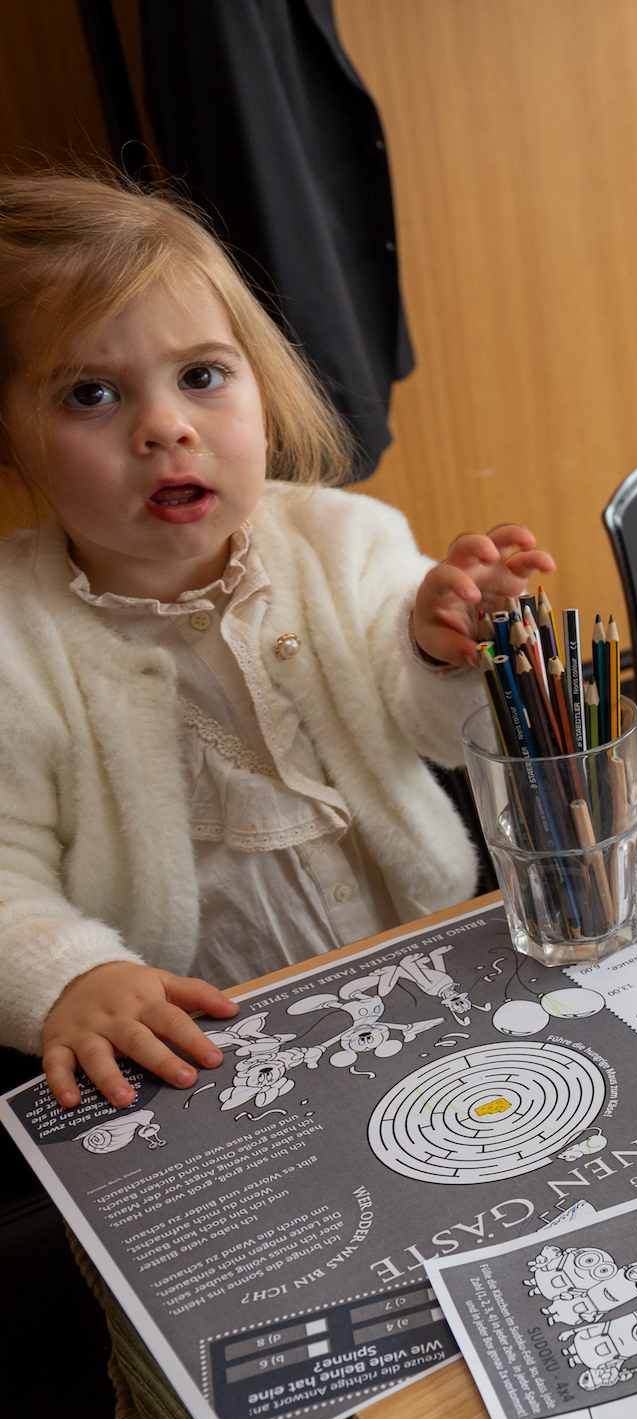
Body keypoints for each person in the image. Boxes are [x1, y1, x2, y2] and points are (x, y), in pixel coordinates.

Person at [0, 173, 554, 1113]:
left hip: (425, 964)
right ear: (10, 443)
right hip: (198, 1056)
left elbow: (436, 730)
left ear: (263, 383)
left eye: (202, 376)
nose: (165, 427)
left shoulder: (346, 540)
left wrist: (440, 651)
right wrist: (71, 977)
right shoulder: (15, 641)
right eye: (91, 393)